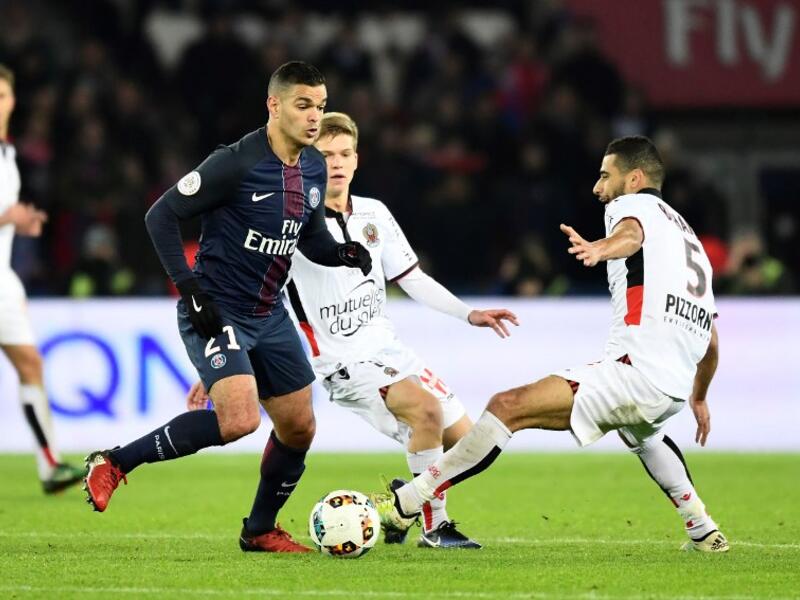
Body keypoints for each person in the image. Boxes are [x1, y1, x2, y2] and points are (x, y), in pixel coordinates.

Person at [187, 112, 518, 548]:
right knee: (426, 412)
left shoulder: (374, 213)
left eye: (345, 154)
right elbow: (257, 299)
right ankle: (436, 527)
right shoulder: (290, 221)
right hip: (340, 360)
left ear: (357, 160)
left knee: (472, 445)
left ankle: (401, 506)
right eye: (326, 155)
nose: (337, 163)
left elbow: (411, 277)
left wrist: (468, 313)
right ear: (308, 161)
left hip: (390, 349)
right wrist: (221, 367)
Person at [83, 61, 372, 553]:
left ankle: (259, 529)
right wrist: (189, 288)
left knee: (300, 426)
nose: (313, 117)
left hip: (270, 312)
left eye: (320, 107)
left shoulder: (314, 166)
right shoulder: (235, 163)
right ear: (274, 105)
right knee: (239, 419)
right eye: (304, 105)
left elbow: (313, 238)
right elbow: (160, 216)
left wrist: (341, 253)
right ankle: (113, 461)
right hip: (217, 308)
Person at [389, 136, 730, 553]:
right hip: (671, 387)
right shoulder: (689, 240)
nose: (597, 187)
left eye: (606, 175)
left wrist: (599, 248)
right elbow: (711, 340)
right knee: (644, 435)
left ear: (635, 178)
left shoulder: (632, 206)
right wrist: (699, 396)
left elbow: (630, 234)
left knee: (506, 406)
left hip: (635, 373)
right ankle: (703, 529)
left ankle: (408, 501)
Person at [0, 64, 86, 494]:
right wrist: (6, 217)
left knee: (31, 365)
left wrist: (18, 222)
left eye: (2, 95)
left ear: (13, 100)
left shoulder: (7, 154)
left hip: (2, 280)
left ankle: (50, 465)